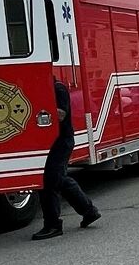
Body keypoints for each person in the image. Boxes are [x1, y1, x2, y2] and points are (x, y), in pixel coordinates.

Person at [33, 73, 101, 239]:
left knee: (49, 181)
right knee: (58, 179)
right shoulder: (45, 90)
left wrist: (39, 109)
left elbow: (61, 114)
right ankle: (89, 211)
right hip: (49, 141)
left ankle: (53, 225)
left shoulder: (59, 89)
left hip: (61, 141)